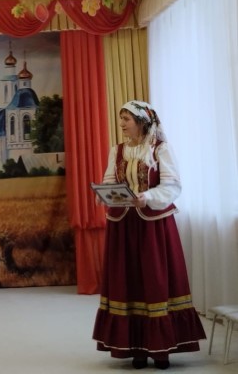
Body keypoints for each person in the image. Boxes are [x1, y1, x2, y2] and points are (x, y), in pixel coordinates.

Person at [92, 100, 206, 370]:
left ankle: (161, 351)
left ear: (141, 122)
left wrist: (148, 197)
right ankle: (136, 349)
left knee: (155, 280)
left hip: (153, 226)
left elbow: (172, 185)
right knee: (128, 281)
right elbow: (110, 180)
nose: (121, 124)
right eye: (121, 118)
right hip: (123, 225)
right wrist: (105, 193)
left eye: (126, 119)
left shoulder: (160, 148)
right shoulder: (117, 150)